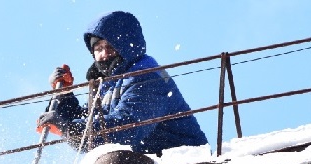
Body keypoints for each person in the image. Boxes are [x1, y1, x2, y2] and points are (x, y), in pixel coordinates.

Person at [37, 11, 208, 155]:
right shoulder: (107, 85)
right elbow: (91, 120)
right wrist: (65, 96)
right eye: (98, 48)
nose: (104, 54)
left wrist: (69, 129)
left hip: (184, 163)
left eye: (110, 47)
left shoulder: (146, 76)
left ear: (126, 47)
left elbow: (125, 128)